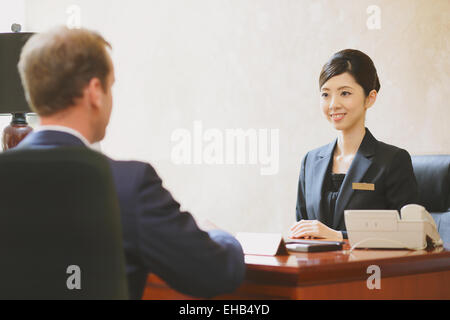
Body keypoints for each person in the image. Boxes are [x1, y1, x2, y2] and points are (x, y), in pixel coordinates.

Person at [16, 26, 245, 299]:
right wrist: (220, 236)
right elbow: (215, 273)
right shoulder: (127, 185)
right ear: (95, 91)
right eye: (111, 86)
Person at [290, 49, 419, 241]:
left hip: (369, 270)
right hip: (317, 269)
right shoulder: (310, 161)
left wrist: (338, 237)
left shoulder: (393, 160)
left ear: (370, 98)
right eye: (325, 94)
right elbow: (302, 229)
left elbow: (410, 236)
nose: (333, 104)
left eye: (345, 93)